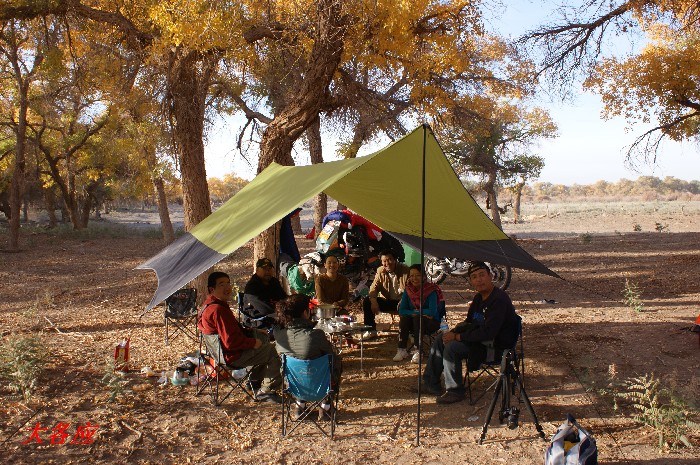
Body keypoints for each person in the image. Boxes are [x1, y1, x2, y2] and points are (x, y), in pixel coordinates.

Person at [421, 261, 520, 404]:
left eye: (482, 275)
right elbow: (469, 323)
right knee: (441, 340)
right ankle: (431, 383)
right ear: (471, 282)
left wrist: (457, 337)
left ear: (490, 276)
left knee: (452, 348)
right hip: (479, 341)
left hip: (494, 346)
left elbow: (489, 333)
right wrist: (452, 333)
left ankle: (455, 390)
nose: (479, 279)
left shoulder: (499, 299)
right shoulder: (478, 298)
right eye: (474, 277)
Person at [198, 271, 283, 403]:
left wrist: (253, 331)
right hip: (233, 356)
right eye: (221, 285)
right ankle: (267, 391)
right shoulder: (218, 310)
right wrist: (252, 343)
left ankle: (254, 382)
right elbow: (230, 341)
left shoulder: (208, 306)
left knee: (263, 339)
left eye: (228, 283)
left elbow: (230, 331)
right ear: (212, 289)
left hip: (219, 355)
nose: (227, 287)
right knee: (275, 350)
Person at [273, 294, 342, 421]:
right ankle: (326, 407)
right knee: (333, 362)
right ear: (305, 312)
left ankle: (300, 406)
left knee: (298, 368)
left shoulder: (280, 335)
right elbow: (331, 359)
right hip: (319, 385)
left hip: (292, 386)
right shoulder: (315, 335)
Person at [393, 264, 444, 363]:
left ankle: (418, 351)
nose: (414, 278)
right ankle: (401, 350)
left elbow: (432, 312)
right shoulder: (408, 291)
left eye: (417, 275)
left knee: (417, 318)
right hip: (413, 323)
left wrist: (415, 313)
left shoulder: (431, 290)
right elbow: (402, 310)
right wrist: (419, 312)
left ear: (424, 277)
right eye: (411, 276)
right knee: (404, 318)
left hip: (431, 322)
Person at [361, 250, 410, 339]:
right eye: (384, 261)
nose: (387, 263)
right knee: (367, 301)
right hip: (388, 301)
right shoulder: (381, 271)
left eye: (390, 260)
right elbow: (373, 288)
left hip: (402, 301)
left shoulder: (405, 270)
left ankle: (410, 332)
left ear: (395, 260)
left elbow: (410, 290)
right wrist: (373, 301)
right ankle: (370, 331)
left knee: (410, 303)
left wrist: (403, 300)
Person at [243, 258, 288, 326]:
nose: (267, 271)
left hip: (276, 315)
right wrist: (283, 312)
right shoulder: (252, 287)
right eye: (264, 269)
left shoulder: (274, 281)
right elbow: (264, 309)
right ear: (257, 270)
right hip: (258, 320)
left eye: (269, 269)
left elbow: (284, 298)